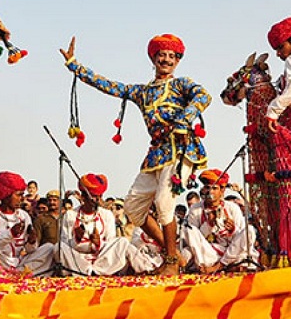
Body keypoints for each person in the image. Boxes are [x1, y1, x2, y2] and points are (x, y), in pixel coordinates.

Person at [60, 34, 211, 275]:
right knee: (132, 207)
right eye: (162, 55)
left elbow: (203, 96)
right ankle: (173, 254)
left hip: (181, 150)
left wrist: (184, 119)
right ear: (153, 58)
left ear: (178, 61)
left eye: (172, 56)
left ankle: (171, 261)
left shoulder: (182, 84)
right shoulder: (142, 92)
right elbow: (109, 86)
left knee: (164, 203)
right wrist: (75, 66)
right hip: (157, 154)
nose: (166, 59)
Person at [57, 173, 141, 276]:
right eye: (93, 197)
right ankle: (86, 272)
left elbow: (110, 244)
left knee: (122, 241)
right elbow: (64, 243)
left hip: (101, 260)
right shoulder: (70, 215)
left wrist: (99, 243)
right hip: (79, 260)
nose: (96, 200)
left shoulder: (106, 214)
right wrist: (76, 239)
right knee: (57, 248)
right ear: (83, 197)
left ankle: (95, 272)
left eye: (99, 197)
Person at [180, 169, 259, 274]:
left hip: (231, 253)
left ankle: (219, 266)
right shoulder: (196, 209)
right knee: (188, 231)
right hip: (209, 253)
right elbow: (194, 239)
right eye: (207, 188)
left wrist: (232, 230)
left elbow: (239, 240)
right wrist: (208, 225)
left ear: (222, 191)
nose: (210, 192)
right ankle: (215, 267)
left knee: (250, 230)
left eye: (214, 188)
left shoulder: (232, 207)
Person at [0, 171, 55, 276]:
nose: (22, 199)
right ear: (6, 195)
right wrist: (10, 234)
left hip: (20, 263)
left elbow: (30, 250)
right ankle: (17, 274)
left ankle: (19, 274)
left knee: (50, 248)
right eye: (18, 195)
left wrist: (32, 241)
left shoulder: (24, 216)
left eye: (22, 195)